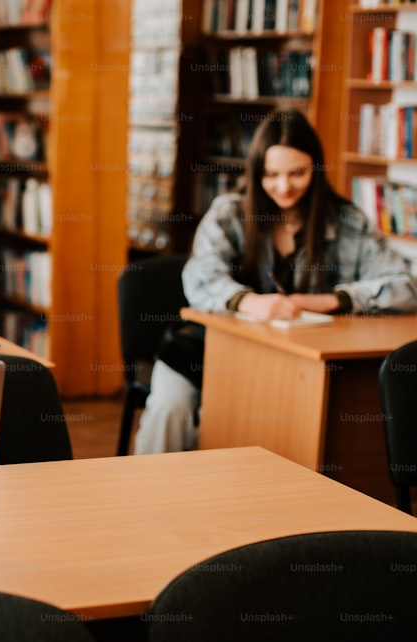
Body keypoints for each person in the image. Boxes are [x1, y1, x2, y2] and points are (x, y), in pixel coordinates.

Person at [134, 108, 417, 455]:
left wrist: (332, 299)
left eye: (297, 173)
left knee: (289, 430)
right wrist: (251, 302)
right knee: (170, 410)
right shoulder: (229, 212)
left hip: (296, 365)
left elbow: (406, 287)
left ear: (315, 166)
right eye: (271, 175)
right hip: (206, 350)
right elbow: (199, 276)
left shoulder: (347, 221)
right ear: (256, 172)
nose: (284, 187)